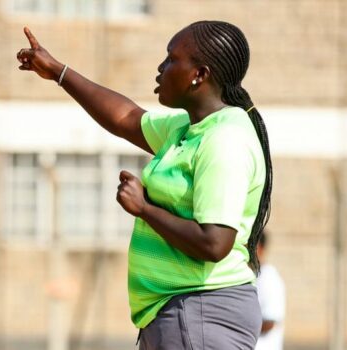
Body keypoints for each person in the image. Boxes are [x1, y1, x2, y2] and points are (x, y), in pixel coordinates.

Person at [17, 20, 273, 350]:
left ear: (200, 74)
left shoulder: (224, 140)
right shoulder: (189, 129)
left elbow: (215, 243)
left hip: (200, 312)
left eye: (171, 60)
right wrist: (58, 72)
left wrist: (144, 208)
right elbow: (125, 118)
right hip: (180, 311)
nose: (161, 68)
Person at [256, 232, 285, 350]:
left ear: (261, 248)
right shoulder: (252, 275)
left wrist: (241, 327)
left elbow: (269, 322)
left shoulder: (269, 277)